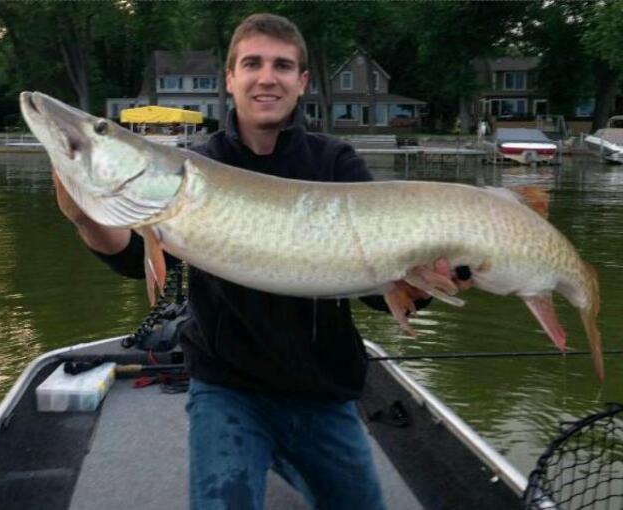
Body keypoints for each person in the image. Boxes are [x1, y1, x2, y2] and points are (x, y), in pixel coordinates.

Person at [54, 13, 471, 510]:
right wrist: (84, 217)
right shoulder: (193, 168)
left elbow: (372, 288)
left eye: (282, 65)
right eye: (252, 63)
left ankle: (288, 457)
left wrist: (422, 285)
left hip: (323, 389)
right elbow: (132, 257)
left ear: (301, 81)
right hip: (227, 389)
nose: (266, 76)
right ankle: (273, 455)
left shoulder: (336, 164)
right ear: (230, 79)